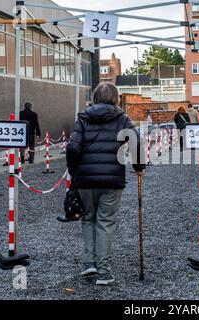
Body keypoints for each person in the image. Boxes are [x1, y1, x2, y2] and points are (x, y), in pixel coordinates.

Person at [66, 82, 146, 285]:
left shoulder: (82, 118)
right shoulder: (122, 118)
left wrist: (73, 171)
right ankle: (103, 271)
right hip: (111, 179)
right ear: (115, 98)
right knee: (106, 222)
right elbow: (136, 140)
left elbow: (73, 148)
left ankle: (89, 263)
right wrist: (138, 166)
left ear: (94, 97)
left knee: (88, 219)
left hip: (85, 179)